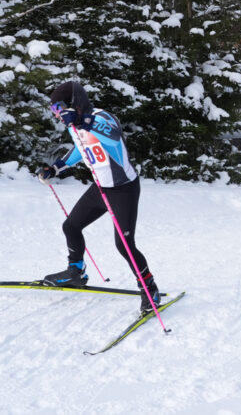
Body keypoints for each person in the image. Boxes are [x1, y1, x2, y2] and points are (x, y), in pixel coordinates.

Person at [36, 80, 161, 314]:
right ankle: (76, 272)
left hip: (123, 189)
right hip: (101, 188)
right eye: (52, 110)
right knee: (71, 226)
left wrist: (84, 121)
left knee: (124, 245)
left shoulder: (101, 117)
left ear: (71, 105)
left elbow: (113, 136)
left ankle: (149, 288)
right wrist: (56, 167)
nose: (55, 115)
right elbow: (79, 150)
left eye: (57, 109)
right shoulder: (74, 126)